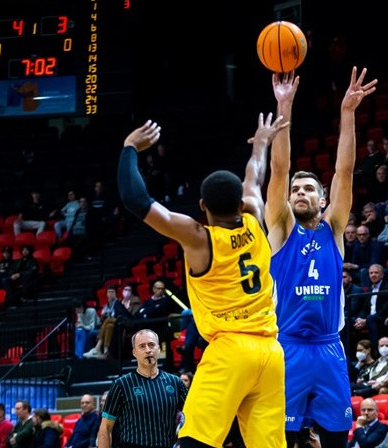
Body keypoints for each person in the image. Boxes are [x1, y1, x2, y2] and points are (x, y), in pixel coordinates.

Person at [117, 112, 289, 448]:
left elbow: (135, 200)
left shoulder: (199, 238)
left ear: (201, 206)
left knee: (193, 440)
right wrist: (263, 142)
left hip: (230, 349)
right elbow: (254, 175)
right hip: (271, 351)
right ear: (240, 202)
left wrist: (128, 149)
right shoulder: (255, 216)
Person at [265, 67, 376, 448]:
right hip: (288, 345)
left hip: (329, 347)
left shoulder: (333, 228)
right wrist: (285, 107)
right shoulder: (280, 228)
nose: (299, 192)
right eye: (295, 189)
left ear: (322, 199)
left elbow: (344, 171)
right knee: (285, 438)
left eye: (308, 188)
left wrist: (347, 113)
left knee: (335, 437)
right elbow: (279, 168)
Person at [98, 329, 187, 448]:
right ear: (134, 352)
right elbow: (105, 427)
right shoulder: (121, 385)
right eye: (142, 346)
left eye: (151, 345)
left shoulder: (175, 383)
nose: (148, 350)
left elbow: (191, 417)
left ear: (159, 349)